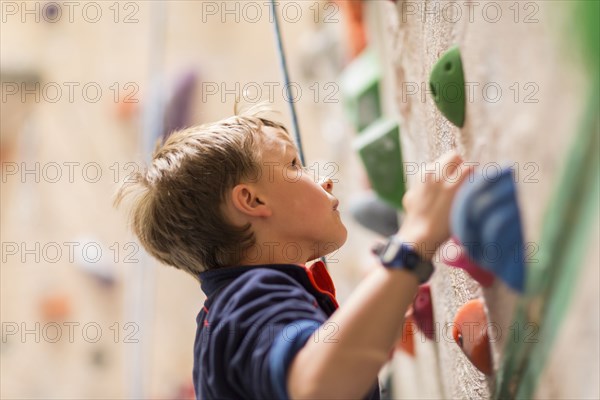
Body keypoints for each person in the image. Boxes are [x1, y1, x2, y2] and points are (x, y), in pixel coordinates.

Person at [114, 105, 474, 400]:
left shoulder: (222, 320)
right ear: (252, 201)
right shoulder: (248, 301)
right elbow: (317, 386)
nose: (324, 180)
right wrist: (415, 238)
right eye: (293, 165)